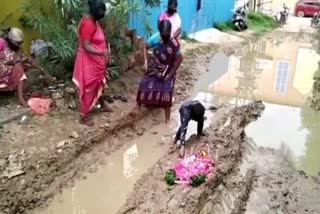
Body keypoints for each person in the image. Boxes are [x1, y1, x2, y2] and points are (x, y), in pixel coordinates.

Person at [73, 0, 113, 126]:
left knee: (99, 83)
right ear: (94, 11)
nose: (102, 14)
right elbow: (86, 46)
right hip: (89, 61)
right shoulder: (88, 23)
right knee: (90, 87)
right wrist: (101, 53)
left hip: (97, 61)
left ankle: (102, 104)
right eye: (100, 12)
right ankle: (84, 116)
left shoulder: (93, 20)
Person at [136, 20, 183, 123]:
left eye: (167, 35)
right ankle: (138, 109)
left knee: (166, 94)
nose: (165, 37)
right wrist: (145, 62)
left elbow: (179, 59)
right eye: (163, 35)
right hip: (156, 66)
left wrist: (170, 75)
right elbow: (145, 47)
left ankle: (167, 121)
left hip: (169, 69)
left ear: (170, 32)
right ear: (160, 32)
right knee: (144, 84)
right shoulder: (156, 38)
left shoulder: (174, 43)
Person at [0, 28, 45, 107]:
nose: (19, 45)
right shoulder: (2, 42)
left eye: (20, 43)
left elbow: (28, 60)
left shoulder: (17, 50)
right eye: (17, 43)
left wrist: (41, 69)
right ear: (10, 39)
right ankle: (20, 97)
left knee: (20, 67)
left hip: (7, 73)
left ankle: (20, 97)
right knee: (18, 66)